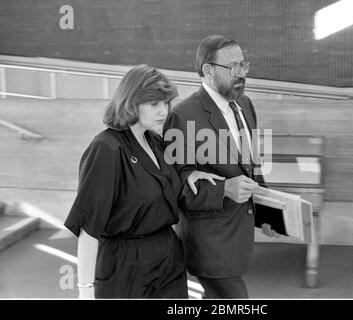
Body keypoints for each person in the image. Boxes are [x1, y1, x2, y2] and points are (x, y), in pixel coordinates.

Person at [64, 65, 223, 299]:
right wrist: (85, 290)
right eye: (154, 104)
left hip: (167, 255)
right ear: (131, 103)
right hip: (125, 263)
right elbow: (88, 227)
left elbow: (167, 188)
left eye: (166, 103)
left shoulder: (156, 143)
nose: (164, 112)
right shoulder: (107, 148)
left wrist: (190, 174)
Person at [163, 35, 264, 298]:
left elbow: (250, 163)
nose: (241, 73)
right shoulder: (182, 116)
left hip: (238, 235)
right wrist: (225, 189)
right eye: (233, 67)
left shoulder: (245, 104)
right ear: (208, 70)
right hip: (210, 244)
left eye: (244, 65)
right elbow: (178, 188)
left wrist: (268, 213)